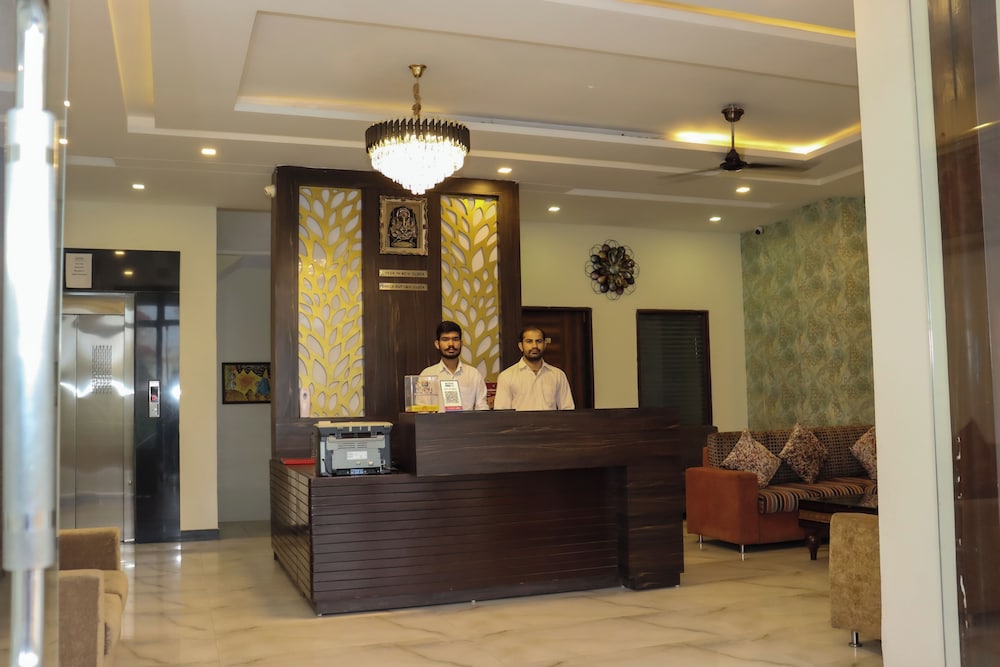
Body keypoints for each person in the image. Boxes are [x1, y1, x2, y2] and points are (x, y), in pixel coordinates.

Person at [493, 326, 575, 411]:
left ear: (544, 345)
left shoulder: (558, 375)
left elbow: (568, 410)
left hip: (550, 420)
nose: (534, 346)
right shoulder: (506, 376)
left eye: (538, 341)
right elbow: (502, 413)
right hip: (519, 421)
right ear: (521, 346)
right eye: (529, 341)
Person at [418, 321, 489, 411]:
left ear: (461, 343)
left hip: (467, 421)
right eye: (445, 339)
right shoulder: (427, 375)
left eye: (455, 339)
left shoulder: (474, 374)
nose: (451, 344)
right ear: (437, 344)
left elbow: (482, 408)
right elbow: (422, 410)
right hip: (438, 421)